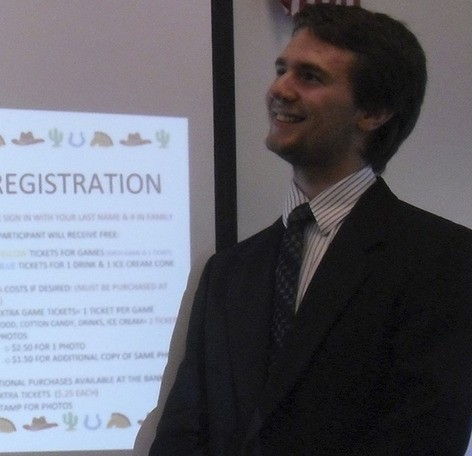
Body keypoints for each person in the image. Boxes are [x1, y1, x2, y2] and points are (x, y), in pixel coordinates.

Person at [148, 4, 472, 455]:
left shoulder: (444, 260)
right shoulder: (227, 272)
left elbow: (424, 436)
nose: (280, 89)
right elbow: (183, 433)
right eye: (282, 70)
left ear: (374, 112)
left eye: (310, 76)